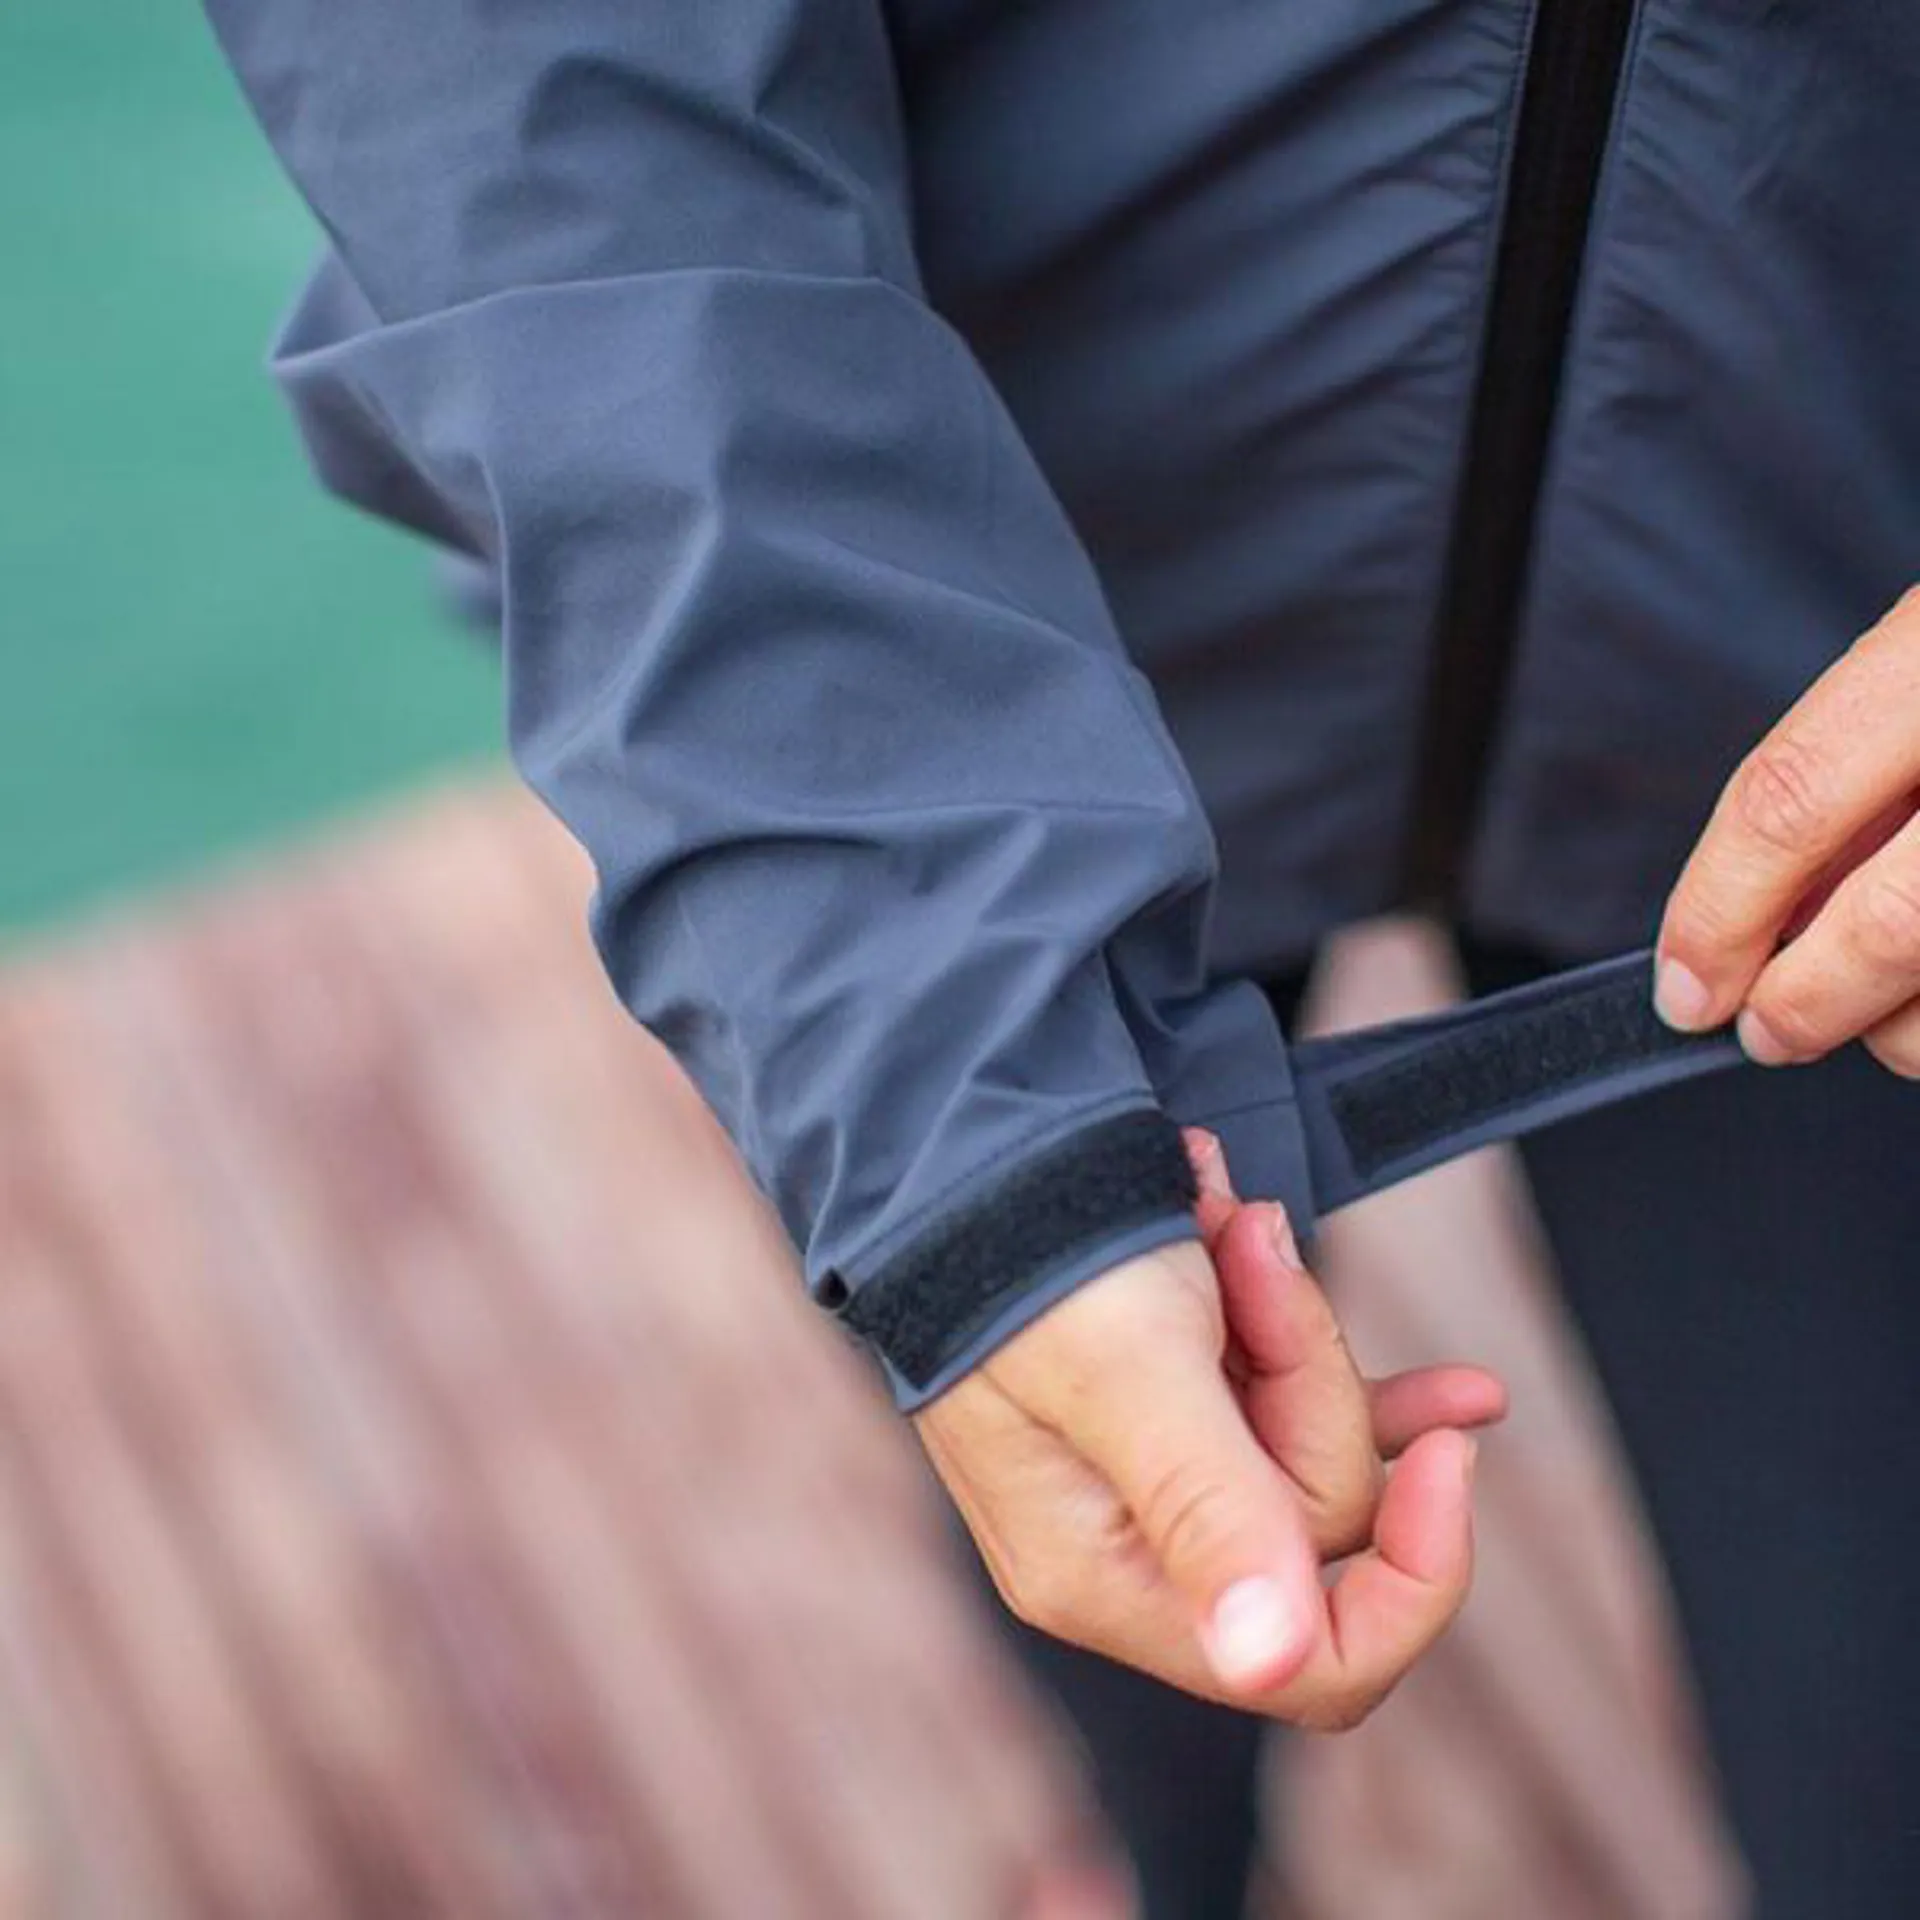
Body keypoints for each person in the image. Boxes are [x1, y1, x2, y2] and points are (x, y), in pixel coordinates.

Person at [204, 6, 1919, 1915]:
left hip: (1849, 742)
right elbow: (526, 83)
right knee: (1106, 1445)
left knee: (1874, 1746)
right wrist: (939, 1078)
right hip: (972, 666)